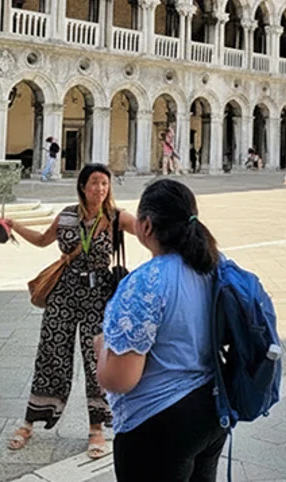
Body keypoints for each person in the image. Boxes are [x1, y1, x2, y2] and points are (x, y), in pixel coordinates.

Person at [95, 179, 226, 482]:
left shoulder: (144, 283)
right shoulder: (213, 265)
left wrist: (101, 347)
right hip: (212, 408)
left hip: (159, 420)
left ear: (147, 226)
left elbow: (120, 379)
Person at [5, 163, 137, 460]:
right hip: (63, 293)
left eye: (104, 184)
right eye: (94, 183)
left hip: (99, 296)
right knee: (51, 352)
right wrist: (14, 226)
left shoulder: (116, 217)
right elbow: (42, 240)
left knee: (96, 359)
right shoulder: (66, 215)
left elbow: (146, 229)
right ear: (82, 186)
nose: (100, 189)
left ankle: (97, 428)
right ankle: (30, 421)